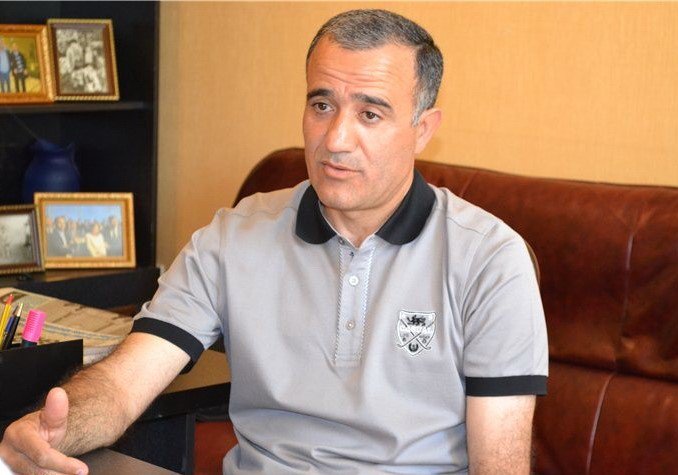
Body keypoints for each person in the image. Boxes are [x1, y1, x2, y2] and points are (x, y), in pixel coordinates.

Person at [0, 9, 548, 475]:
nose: (336, 139)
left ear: (423, 129)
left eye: (370, 113)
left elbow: (498, 467)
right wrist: (53, 431)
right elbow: (123, 384)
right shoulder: (233, 236)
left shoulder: (490, 260)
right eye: (322, 105)